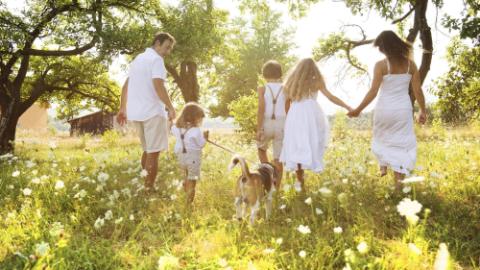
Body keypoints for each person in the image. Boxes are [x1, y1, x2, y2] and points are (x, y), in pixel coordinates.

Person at [347, 30, 427, 189]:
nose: (380, 51)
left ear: (385, 47)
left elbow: (373, 91)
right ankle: (399, 185)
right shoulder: (411, 65)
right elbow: (418, 91)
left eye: (380, 47)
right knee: (402, 144)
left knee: (382, 137)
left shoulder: (381, 65)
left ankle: (383, 164)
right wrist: (422, 110)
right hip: (403, 110)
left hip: (384, 109)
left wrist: (357, 110)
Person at [117, 32, 177, 192]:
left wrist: (122, 108)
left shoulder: (138, 59)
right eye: (166, 47)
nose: (168, 51)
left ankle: (144, 184)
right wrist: (171, 107)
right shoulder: (156, 60)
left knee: (147, 150)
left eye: (170, 49)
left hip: (137, 113)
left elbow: (125, 86)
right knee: (153, 153)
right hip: (152, 112)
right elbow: (159, 86)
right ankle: (148, 190)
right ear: (157, 43)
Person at [280, 58, 352, 191]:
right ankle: (305, 174)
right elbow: (331, 97)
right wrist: (347, 106)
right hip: (311, 113)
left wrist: (289, 119)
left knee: (298, 145)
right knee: (312, 140)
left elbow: (287, 103)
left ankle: (300, 180)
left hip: (295, 114)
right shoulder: (316, 82)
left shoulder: (292, 83)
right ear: (314, 69)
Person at [171, 102, 209, 205]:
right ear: (194, 118)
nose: (200, 120)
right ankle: (189, 203)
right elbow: (201, 144)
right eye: (200, 118)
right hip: (193, 157)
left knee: (186, 175)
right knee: (192, 179)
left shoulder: (176, 128)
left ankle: (185, 185)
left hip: (180, 156)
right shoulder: (196, 131)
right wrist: (205, 137)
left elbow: (172, 130)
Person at [256, 60, 286, 189]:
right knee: (278, 158)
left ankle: (268, 173)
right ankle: (277, 189)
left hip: (267, 122)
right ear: (280, 74)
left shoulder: (262, 89)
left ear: (264, 74)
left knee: (262, 149)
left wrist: (258, 128)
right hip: (282, 124)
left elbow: (261, 108)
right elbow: (288, 107)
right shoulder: (286, 88)